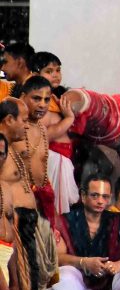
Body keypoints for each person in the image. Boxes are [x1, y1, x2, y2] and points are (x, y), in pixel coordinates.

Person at [0, 97, 58, 290]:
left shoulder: (11, 146)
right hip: (10, 230)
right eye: (22, 120)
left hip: (17, 226)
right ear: (8, 120)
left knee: (23, 287)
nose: (25, 126)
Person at [29, 55, 77, 218]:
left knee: (56, 212)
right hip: (53, 159)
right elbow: (40, 137)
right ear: (35, 74)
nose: (56, 74)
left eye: (58, 70)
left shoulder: (57, 98)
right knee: (53, 213)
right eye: (49, 71)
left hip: (60, 158)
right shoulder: (41, 101)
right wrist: (69, 118)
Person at [17, 75, 64, 226]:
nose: (42, 105)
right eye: (36, 98)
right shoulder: (12, 128)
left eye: (47, 99)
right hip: (17, 203)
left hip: (41, 204)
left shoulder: (43, 129)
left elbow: (42, 175)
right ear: (23, 97)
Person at [0, 135, 23, 290]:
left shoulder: (6, 188)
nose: (0, 158)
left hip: (5, 269)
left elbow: (12, 241)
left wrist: (15, 282)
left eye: (2, 153)